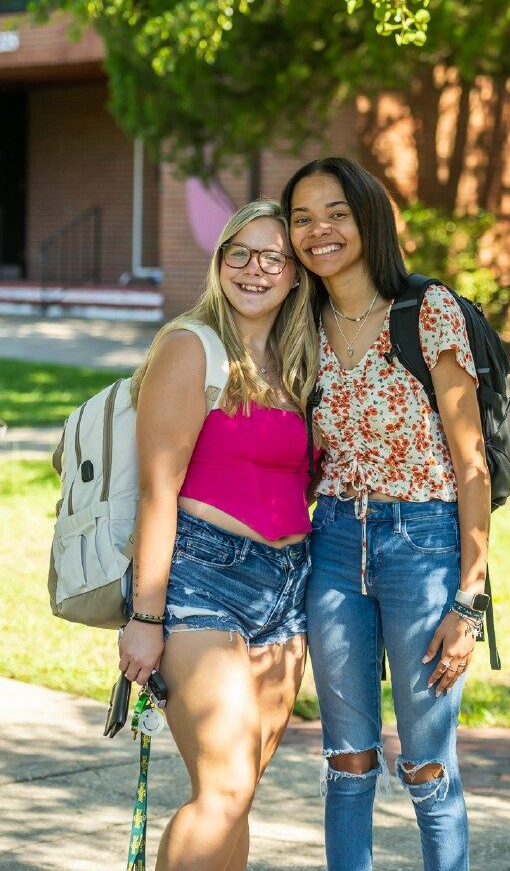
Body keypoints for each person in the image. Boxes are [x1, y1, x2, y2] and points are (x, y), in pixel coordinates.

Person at [281, 158, 490, 871]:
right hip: (335, 541)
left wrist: (470, 598)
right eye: (302, 218)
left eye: (334, 212)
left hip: (423, 544)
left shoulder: (426, 311)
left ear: (367, 217)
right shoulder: (299, 321)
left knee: (428, 762)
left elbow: (471, 466)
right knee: (347, 760)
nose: (318, 231)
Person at [117, 199, 319, 871]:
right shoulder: (189, 346)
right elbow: (157, 492)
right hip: (202, 579)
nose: (255, 269)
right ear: (219, 261)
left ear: (295, 275)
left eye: (273, 257)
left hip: (288, 589)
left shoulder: (296, 363)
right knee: (224, 786)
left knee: (238, 794)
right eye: (240, 253)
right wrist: (145, 618)